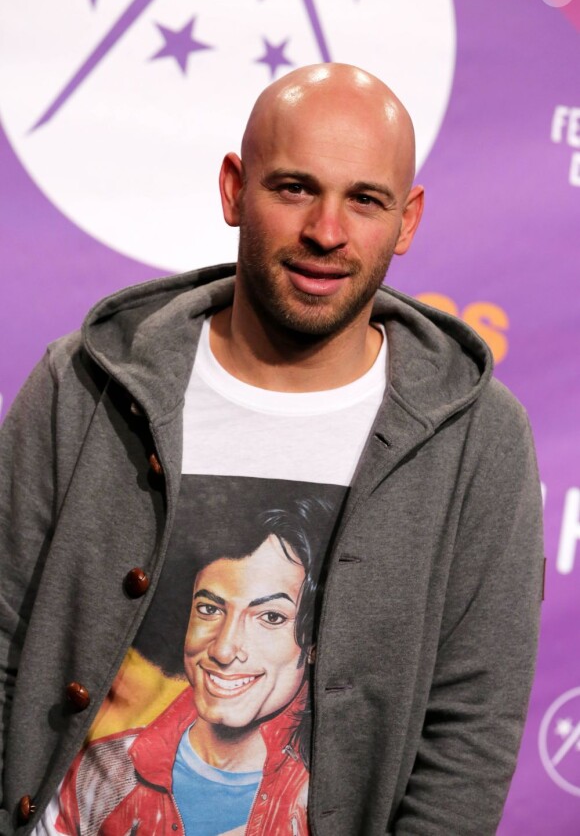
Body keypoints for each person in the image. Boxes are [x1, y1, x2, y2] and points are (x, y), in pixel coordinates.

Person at [0, 63, 544, 836]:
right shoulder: (80, 388)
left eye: (365, 199)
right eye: (293, 188)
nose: (327, 231)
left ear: (408, 219)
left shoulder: (478, 438)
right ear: (234, 189)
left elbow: (470, 733)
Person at [52, 498, 328, 836]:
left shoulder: (331, 792)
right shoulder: (103, 771)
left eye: (270, 617)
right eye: (210, 609)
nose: (224, 649)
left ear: (315, 643)